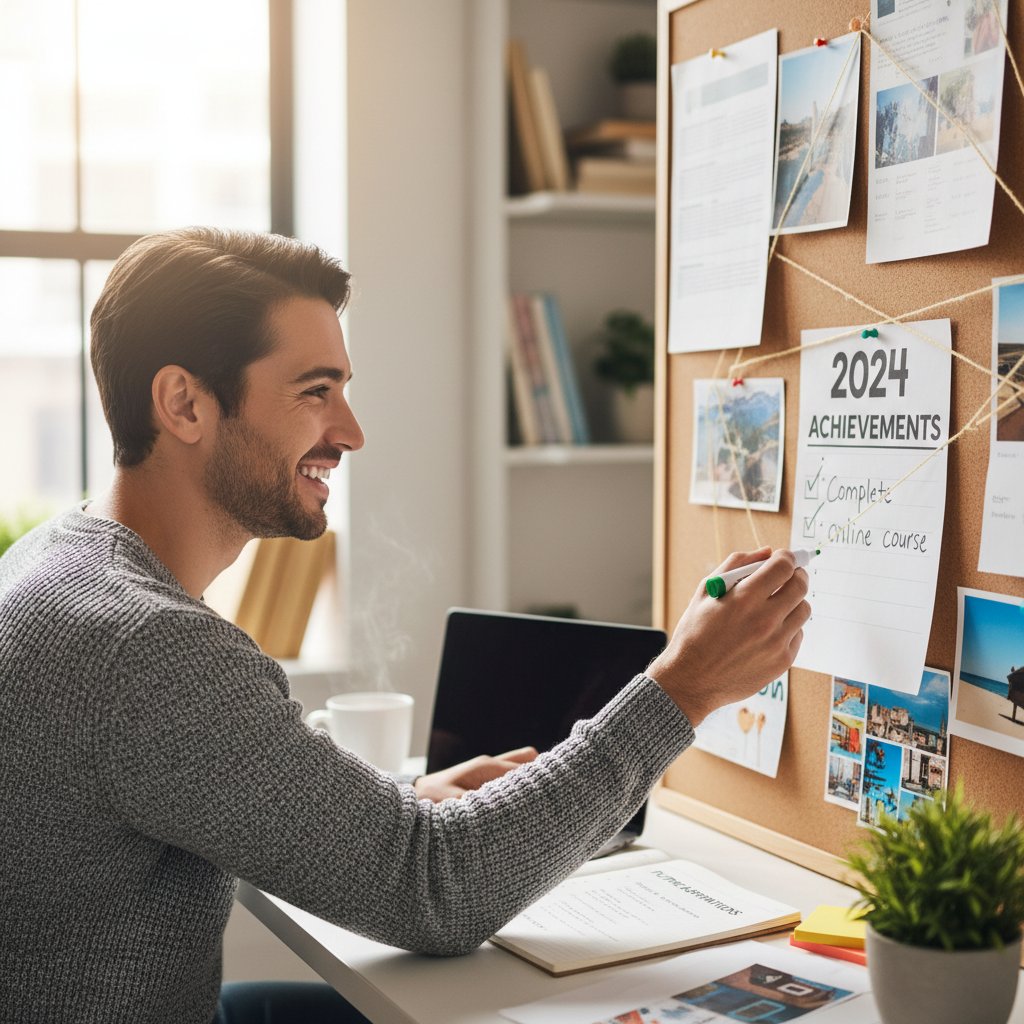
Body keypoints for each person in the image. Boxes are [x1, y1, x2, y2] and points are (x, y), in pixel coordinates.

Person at [0, 228, 810, 1024]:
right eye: (315, 391)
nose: (350, 432)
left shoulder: (58, 560)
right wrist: (682, 689)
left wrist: (401, 801)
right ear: (184, 404)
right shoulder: (146, 646)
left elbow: (201, 779)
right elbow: (438, 889)